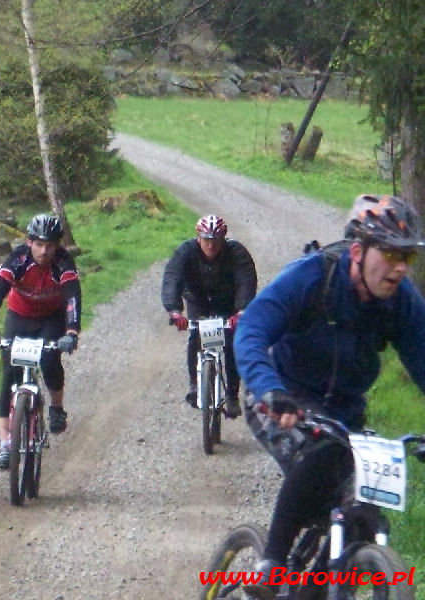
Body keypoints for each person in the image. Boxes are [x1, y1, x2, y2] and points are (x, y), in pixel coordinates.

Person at [234, 194, 425, 599]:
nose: (400, 267)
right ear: (358, 251)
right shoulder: (312, 277)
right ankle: (270, 563)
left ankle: (320, 584)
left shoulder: (401, 301)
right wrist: (269, 388)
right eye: (390, 254)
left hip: (343, 412)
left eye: (406, 256)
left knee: (363, 510)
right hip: (279, 392)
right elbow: (252, 327)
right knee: (320, 455)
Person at [0, 214, 81, 470]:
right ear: (29, 242)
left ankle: (57, 408)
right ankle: (5, 445)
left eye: (50, 245)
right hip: (20, 317)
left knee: (50, 359)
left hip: (51, 318)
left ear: (58, 245)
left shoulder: (64, 263)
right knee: (9, 375)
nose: (44, 251)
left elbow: (72, 297)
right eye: (38, 244)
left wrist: (71, 332)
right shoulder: (18, 259)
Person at [161, 214, 257, 418]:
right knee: (196, 337)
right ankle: (195, 386)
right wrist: (175, 311)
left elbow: (246, 281)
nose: (211, 245)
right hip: (198, 300)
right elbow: (172, 278)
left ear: (223, 239)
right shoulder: (185, 252)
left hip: (227, 302)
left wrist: (242, 310)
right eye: (206, 239)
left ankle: (232, 395)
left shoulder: (236, 253)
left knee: (231, 342)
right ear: (198, 238)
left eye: (215, 240)